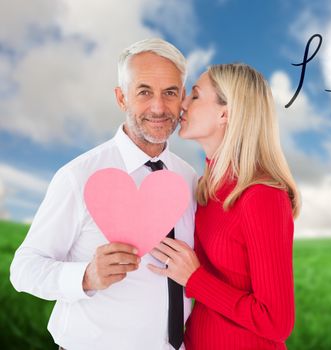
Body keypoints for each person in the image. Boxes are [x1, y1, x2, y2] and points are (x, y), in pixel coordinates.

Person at [10, 38, 197, 350]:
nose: (159, 107)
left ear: (182, 99)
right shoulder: (78, 176)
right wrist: (85, 276)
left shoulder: (189, 179)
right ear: (121, 98)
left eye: (170, 92)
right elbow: (23, 269)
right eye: (144, 92)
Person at [147, 63, 300, 349]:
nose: (182, 104)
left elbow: (277, 322)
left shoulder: (262, 195)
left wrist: (195, 279)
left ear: (224, 113)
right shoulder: (205, 188)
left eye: (195, 95)